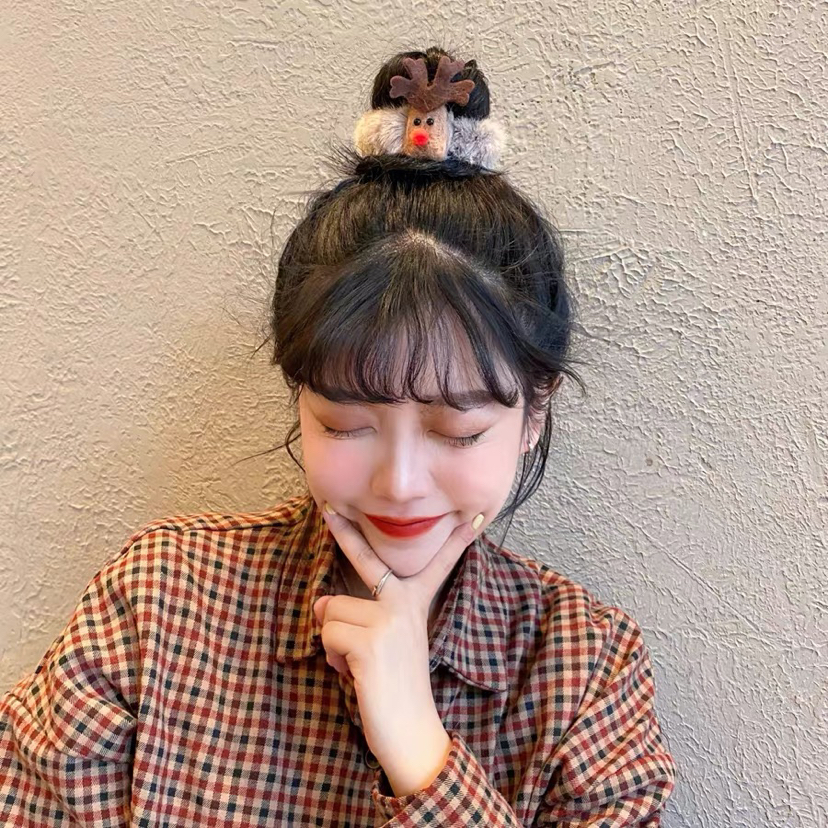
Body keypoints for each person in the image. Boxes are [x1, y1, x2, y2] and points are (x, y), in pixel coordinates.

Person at [0, 46, 677, 826]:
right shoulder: (160, 601)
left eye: (458, 431)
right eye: (346, 424)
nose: (400, 484)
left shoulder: (585, 672)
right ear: (300, 397)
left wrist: (424, 758)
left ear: (534, 413)